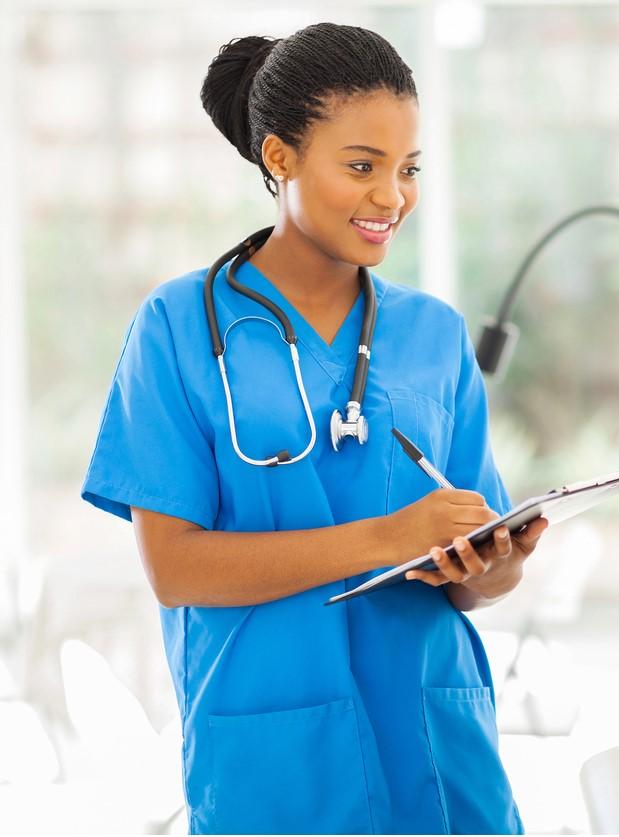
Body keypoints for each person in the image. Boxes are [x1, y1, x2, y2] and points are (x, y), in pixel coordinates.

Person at [81, 23, 546, 835]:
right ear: (280, 157)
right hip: (273, 763)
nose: (391, 197)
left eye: (407, 171)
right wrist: (387, 537)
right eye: (361, 166)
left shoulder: (433, 334)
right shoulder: (177, 327)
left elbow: (475, 579)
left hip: (441, 758)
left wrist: (494, 561)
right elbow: (176, 567)